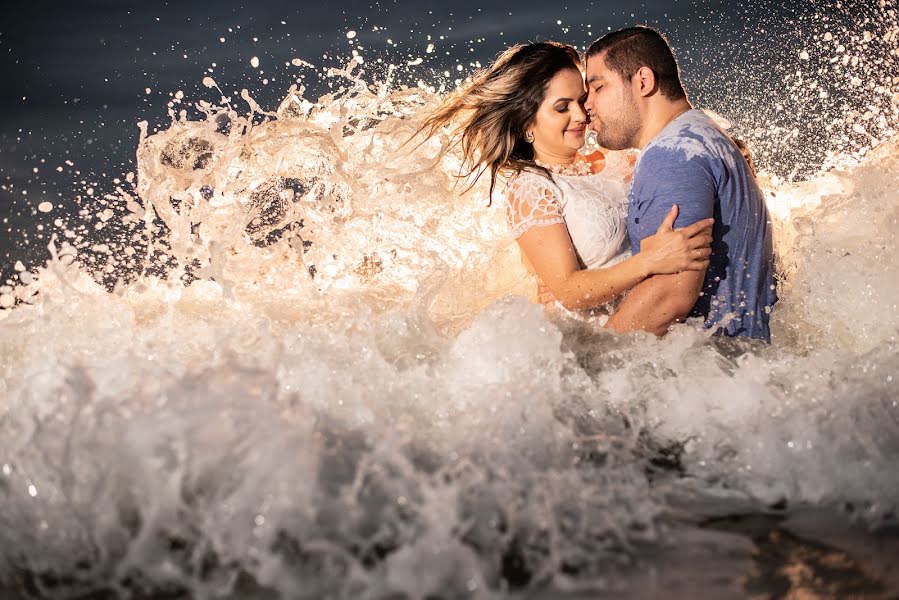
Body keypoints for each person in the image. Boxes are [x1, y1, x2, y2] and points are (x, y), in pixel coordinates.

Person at [416, 42, 713, 323]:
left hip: (655, 325)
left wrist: (716, 155)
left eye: (581, 100)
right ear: (526, 123)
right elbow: (570, 291)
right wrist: (650, 261)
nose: (580, 114)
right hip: (600, 344)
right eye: (562, 107)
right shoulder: (531, 189)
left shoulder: (620, 160)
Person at [584, 26, 776, 341]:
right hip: (746, 364)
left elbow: (670, 295)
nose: (587, 105)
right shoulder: (703, 132)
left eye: (598, 87)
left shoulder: (671, 155)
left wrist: (591, 363)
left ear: (642, 81)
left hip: (717, 372)